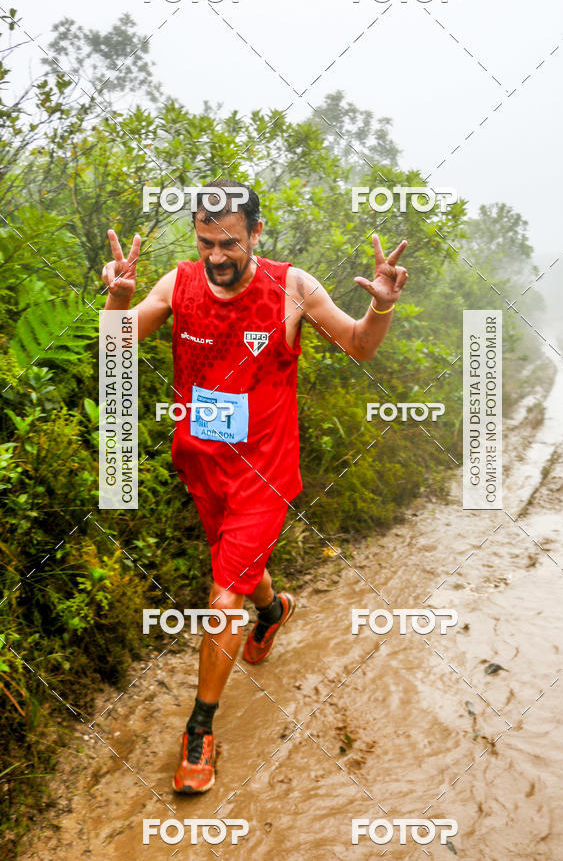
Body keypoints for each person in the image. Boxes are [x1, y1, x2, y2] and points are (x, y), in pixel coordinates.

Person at [102, 178, 408, 794]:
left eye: (230, 244)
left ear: (257, 234)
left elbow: (358, 346)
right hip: (201, 464)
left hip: (264, 473)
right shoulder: (178, 283)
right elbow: (115, 348)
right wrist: (119, 299)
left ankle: (200, 729)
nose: (216, 256)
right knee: (237, 572)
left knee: (221, 596)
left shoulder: (292, 288)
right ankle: (275, 609)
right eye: (205, 242)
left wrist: (379, 307)